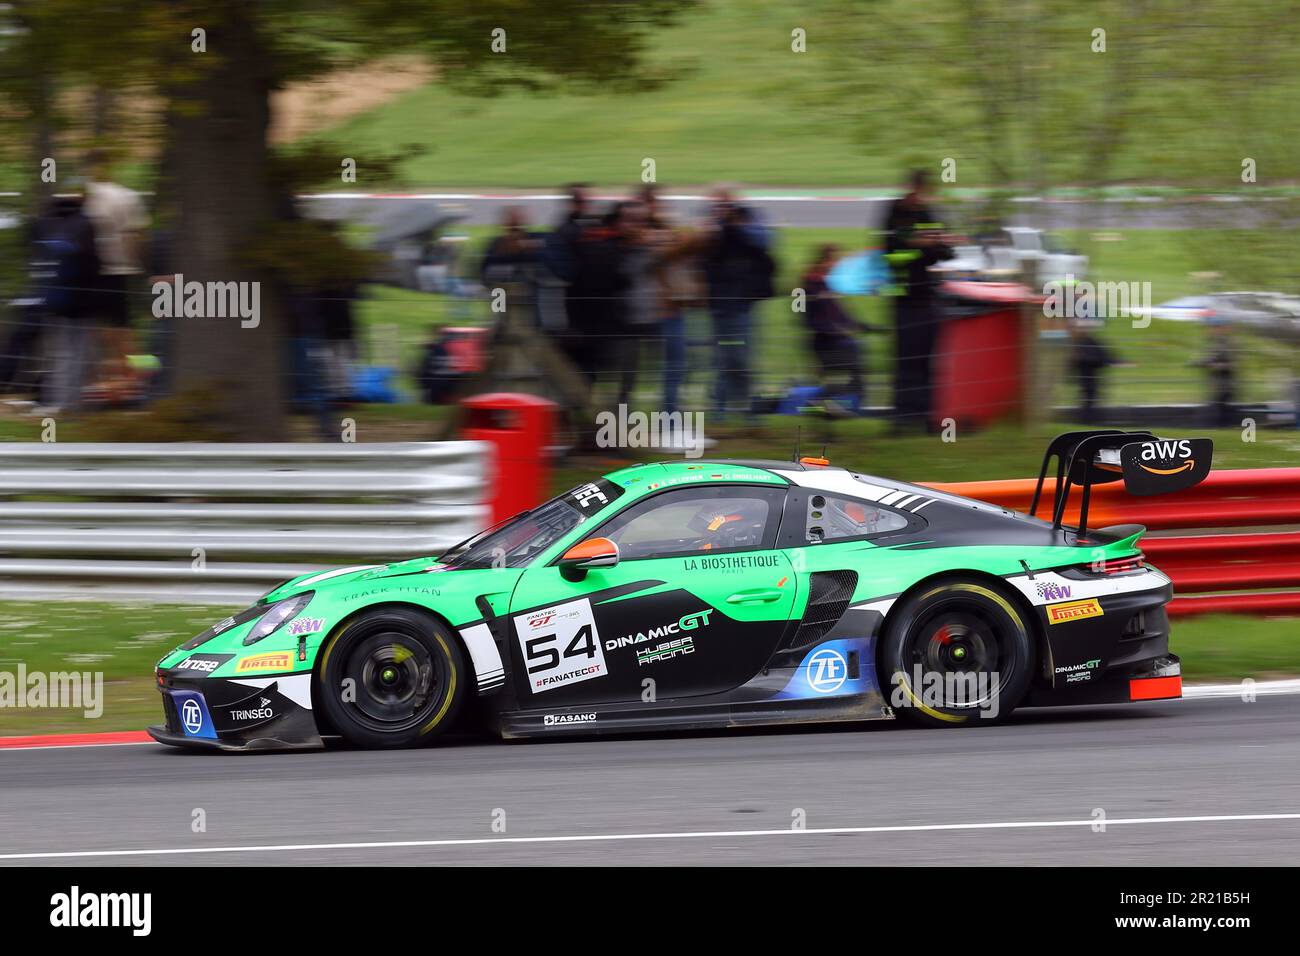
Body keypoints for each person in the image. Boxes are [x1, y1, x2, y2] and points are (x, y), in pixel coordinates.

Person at [881, 169, 955, 431]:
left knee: (927, 363)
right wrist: (920, 245)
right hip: (904, 299)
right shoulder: (894, 213)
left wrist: (930, 243)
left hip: (927, 299)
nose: (919, 198)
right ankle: (901, 420)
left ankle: (926, 419)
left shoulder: (926, 214)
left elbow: (946, 251)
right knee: (904, 363)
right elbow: (890, 252)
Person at [702, 186, 775, 426]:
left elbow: (765, 242)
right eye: (718, 202)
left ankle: (747, 410)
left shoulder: (748, 220)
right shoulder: (712, 226)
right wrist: (718, 224)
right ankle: (720, 409)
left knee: (742, 357)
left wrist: (738, 224)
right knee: (724, 358)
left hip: (742, 303)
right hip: (720, 304)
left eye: (726, 202)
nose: (723, 207)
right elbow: (702, 252)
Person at [83, 149, 148, 392]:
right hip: (121, 270)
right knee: (123, 329)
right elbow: (136, 235)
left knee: (109, 331)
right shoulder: (127, 196)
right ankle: (138, 376)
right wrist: (138, 266)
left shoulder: (88, 199)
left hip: (100, 271)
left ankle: (128, 377)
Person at [34, 187, 102, 413]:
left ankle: (56, 401)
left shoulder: (50, 223)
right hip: (81, 300)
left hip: (54, 298)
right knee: (78, 353)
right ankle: (69, 403)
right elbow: (92, 264)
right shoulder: (85, 224)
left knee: (60, 353)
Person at [801, 244, 872, 410]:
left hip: (837, 339)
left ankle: (827, 405)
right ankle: (822, 402)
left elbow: (841, 314)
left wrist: (863, 326)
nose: (837, 266)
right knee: (849, 374)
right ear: (824, 261)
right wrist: (831, 330)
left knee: (852, 374)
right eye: (835, 261)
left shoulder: (830, 284)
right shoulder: (807, 286)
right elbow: (804, 318)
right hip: (824, 342)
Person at [1066, 318, 1113, 423]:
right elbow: (1077, 361)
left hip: (1091, 376)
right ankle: (1087, 420)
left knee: (1090, 397)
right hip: (1087, 376)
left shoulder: (1088, 341)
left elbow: (1102, 356)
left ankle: (1089, 419)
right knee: (1088, 397)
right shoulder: (1080, 343)